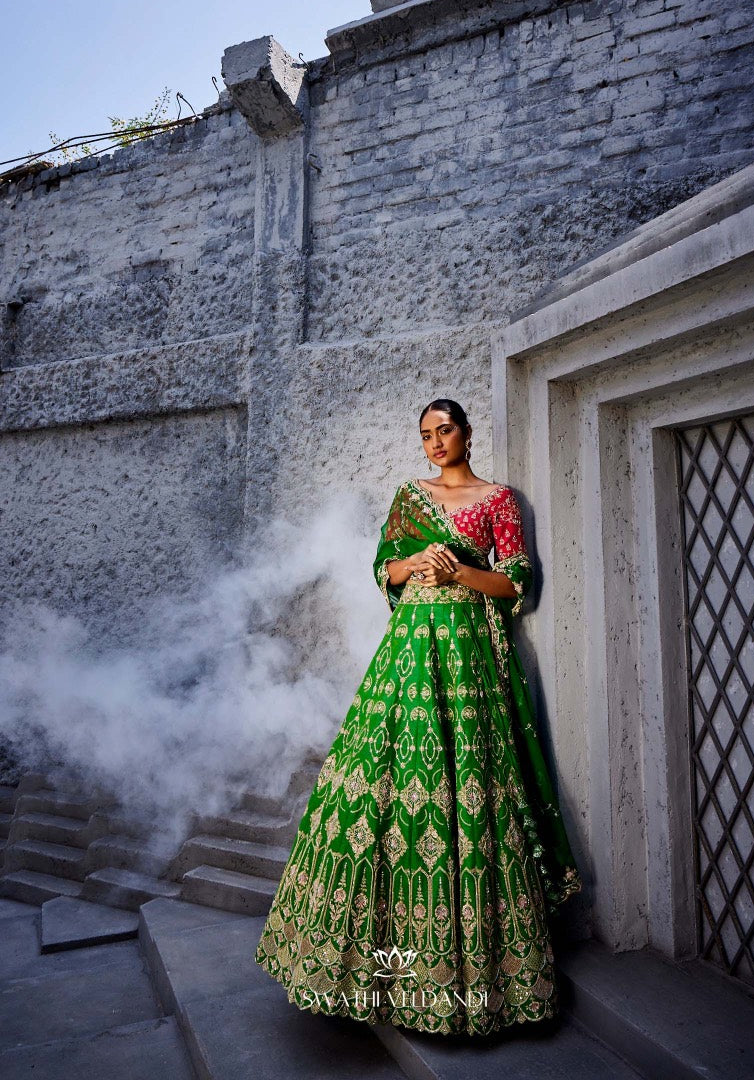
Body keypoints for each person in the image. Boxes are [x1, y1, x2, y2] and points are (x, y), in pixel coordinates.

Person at [254, 398, 583, 1036]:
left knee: (466, 797)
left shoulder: (498, 501)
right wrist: (414, 564)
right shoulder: (410, 497)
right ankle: (380, 976)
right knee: (386, 788)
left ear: (466, 433)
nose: (435, 443)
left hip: (467, 654)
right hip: (407, 652)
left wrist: (459, 568)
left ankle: (474, 981)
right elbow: (386, 570)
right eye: (426, 434)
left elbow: (517, 583)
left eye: (445, 431)